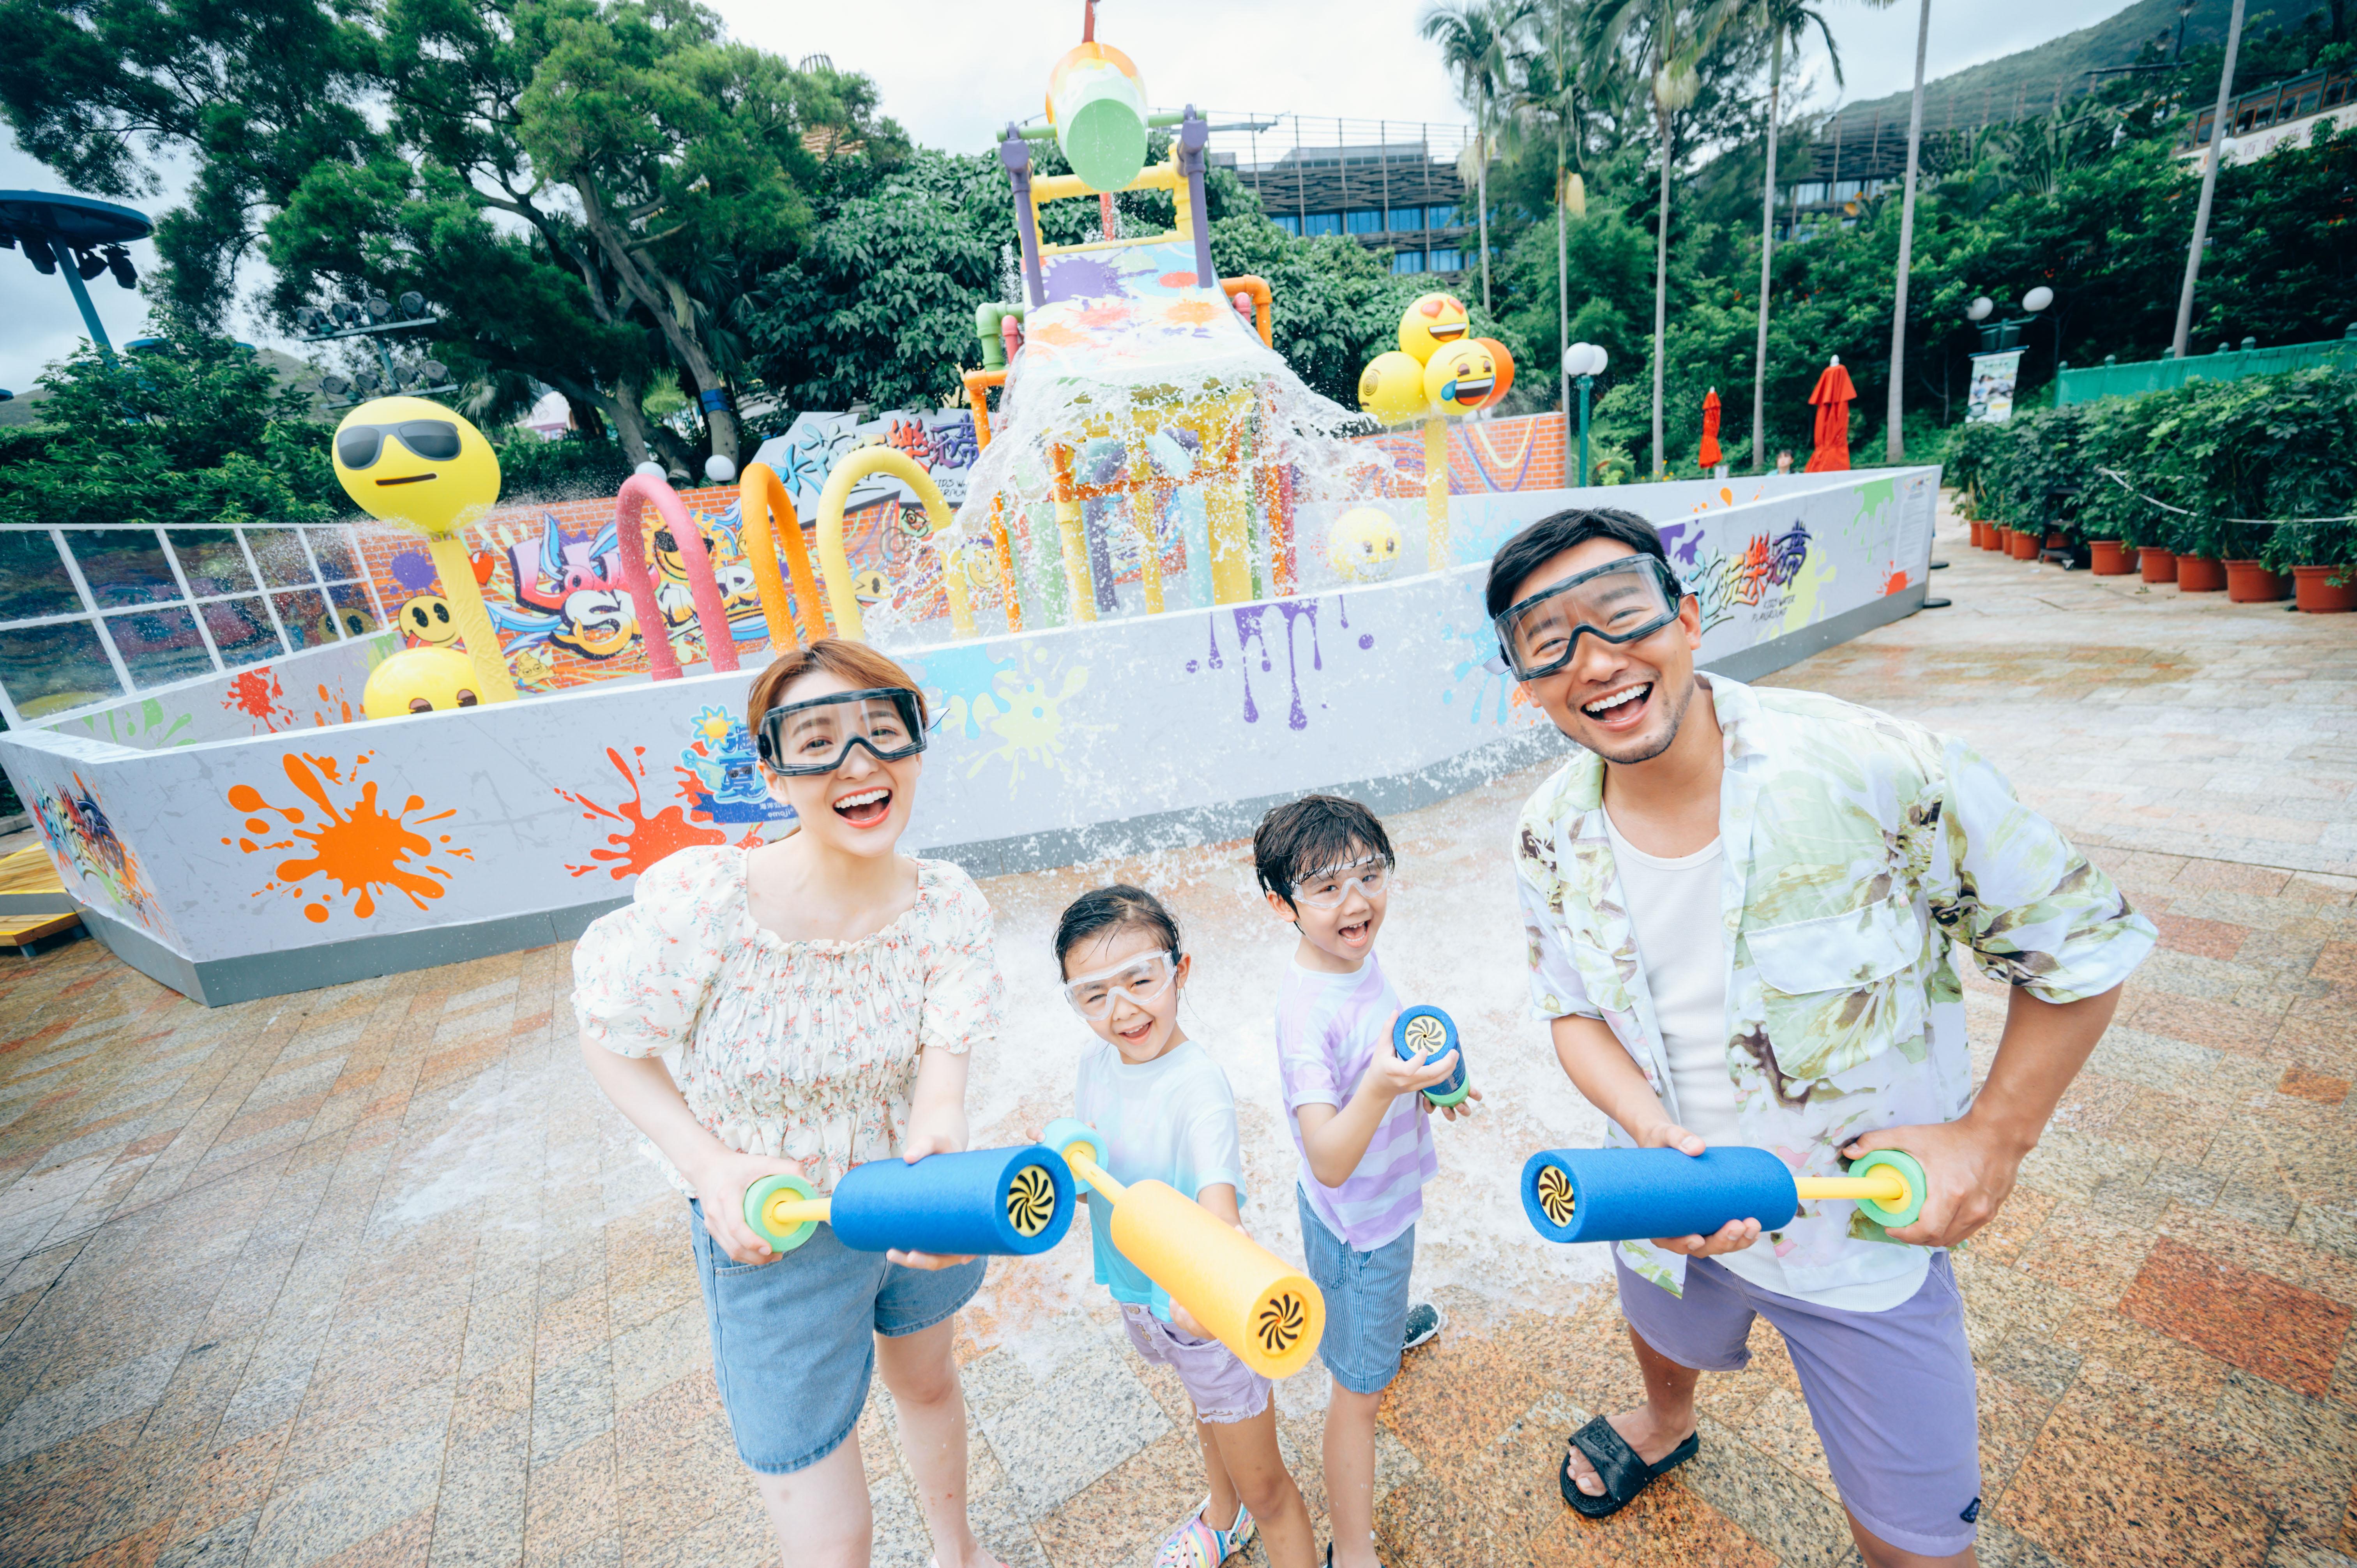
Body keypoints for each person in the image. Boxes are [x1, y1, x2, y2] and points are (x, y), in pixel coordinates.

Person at [1490, 508, 2155, 1567]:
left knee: (1917, 1546)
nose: (1597, 661)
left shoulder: (1874, 767)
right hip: (1666, 1203)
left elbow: (2079, 941)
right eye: (1549, 642)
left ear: (1688, 619)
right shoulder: (1547, 830)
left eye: (1621, 614)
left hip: (1862, 1240)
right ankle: (1665, 1418)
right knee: (1663, 1328)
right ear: (1525, 685)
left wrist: (1994, 1139)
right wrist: (1651, 1133)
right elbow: (1571, 1013)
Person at [572, 639, 1011, 1568]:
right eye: (817, 742)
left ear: (917, 747)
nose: (859, 763)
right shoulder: (709, 906)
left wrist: (941, 1187)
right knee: (832, 1529)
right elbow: (611, 1036)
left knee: (928, 1381)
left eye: (883, 732)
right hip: (774, 1229)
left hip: (909, 1197)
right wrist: (709, 1165)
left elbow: (940, 1093)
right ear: (772, 774)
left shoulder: (947, 907)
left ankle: (959, 1553)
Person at [1053, 883, 1318, 1568]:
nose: (1122, 1009)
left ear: (1180, 971)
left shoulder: (1198, 1087)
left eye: (1140, 979)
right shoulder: (1095, 1063)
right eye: (1094, 995)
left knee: (1267, 1487)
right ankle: (1223, 1518)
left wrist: (1217, 1283)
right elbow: (1096, 1175)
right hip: (1146, 1296)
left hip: (1207, 1310)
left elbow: (1219, 1207)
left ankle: (1255, 1516)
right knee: (1204, 1406)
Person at [1254, 796, 1481, 1568]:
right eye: (1326, 888)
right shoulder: (1306, 1017)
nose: (1356, 902)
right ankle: (1351, 1549)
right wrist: (1385, 1085)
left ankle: (1376, 1331)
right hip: (1360, 1227)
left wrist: (1430, 1084)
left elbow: (1380, 1048)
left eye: (1369, 875)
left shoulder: (1354, 962)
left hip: (1365, 1211)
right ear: (1282, 904)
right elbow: (1327, 1156)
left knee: (1367, 1321)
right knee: (1358, 1396)